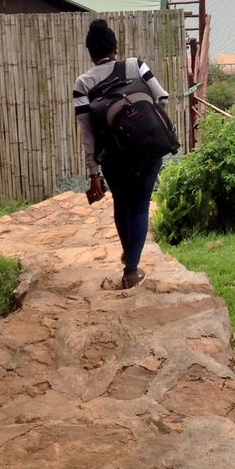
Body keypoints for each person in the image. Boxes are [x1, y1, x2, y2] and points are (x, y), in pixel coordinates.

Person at [73, 19, 169, 289]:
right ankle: (132, 270)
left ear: (90, 53)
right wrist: (144, 126)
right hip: (148, 151)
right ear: (115, 47)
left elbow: (88, 132)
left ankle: (130, 256)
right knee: (140, 205)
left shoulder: (83, 84)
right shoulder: (136, 65)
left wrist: (93, 172)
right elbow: (162, 97)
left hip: (114, 158)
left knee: (122, 204)